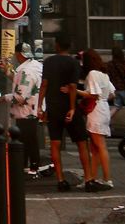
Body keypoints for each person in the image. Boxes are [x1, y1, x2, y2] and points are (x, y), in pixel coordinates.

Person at [38, 32, 93, 192]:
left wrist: (40, 106)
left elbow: (44, 84)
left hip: (53, 107)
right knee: (82, 143)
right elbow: (73, 87)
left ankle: (61, 180)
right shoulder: (74, 63)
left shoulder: (48, 62)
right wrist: (72, 108)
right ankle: (89, 178)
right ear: (70, 46)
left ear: (57, 45)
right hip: (69, 107)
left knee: (55, 143)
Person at [70, 49, 115, 192]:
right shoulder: (104, 74)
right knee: (95, 147)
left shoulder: (93, 74)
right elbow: (112, 94)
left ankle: (107, 179)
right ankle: (92, 178)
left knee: (99, 145)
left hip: (96, 111)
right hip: (104, 108)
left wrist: (75, 91)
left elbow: (93, 94)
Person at [0, 42, 43, 176]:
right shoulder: (36, 66)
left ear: (18, 54)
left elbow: (21, 96)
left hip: (26, 111)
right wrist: (7, 72)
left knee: (27, 140)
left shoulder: (26, 71)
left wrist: (3, 98)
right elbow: (21, 82)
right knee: (29, 139)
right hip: (34, 108)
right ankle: (28, 166)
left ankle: (32, 168)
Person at [106, 46, 125, 130]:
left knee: (116, 106)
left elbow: (108, 76)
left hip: (115, 88)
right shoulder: (124, 62)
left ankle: (105, 122)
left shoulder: (109, 64)